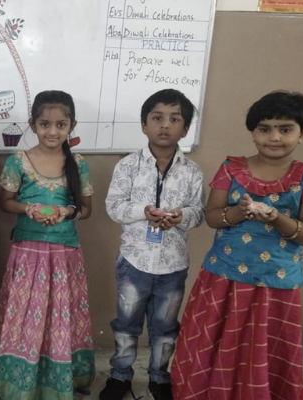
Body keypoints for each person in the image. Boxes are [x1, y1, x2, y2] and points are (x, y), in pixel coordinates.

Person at [172, 91, 303, 400]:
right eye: (264, 128)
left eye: (285, 129)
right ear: (253, 132)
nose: (274, 137)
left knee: (262, 352)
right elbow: (213, 218)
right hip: (223, 277)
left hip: (276, 284)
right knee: (214, 345)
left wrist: (276, 218)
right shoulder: (231, 169)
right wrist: (239, 212)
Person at [0, 90, 96, 400]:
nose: (52, 132)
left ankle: (56, 381)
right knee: (25, 315)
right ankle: (17, 382)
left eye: (61, 125)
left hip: (64, 253)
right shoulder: (18, 162)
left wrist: (67, 212)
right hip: (27, 253)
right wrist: (30, 209)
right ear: (32, 124)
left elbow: (86, 210)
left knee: (60, 316)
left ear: (72, 125)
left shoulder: (78, 164)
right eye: (45, 124)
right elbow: (5, 202)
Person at [101, 89, 205, 400]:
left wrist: (181, 216)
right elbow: (114, 207)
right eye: (157, 118)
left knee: (165, 327)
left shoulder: (192, 172)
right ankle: (120, 375)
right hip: (134, 262)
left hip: (173, 265)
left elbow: (199, 212)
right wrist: (143, 211)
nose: (165, 125)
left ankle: (160, 377)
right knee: (126, 323)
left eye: (175, 119)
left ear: (185, 129)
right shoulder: (128, 166)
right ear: (144, 124)